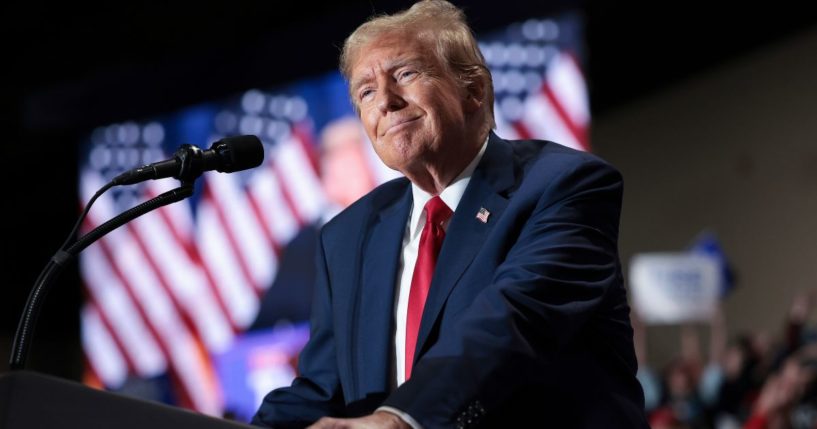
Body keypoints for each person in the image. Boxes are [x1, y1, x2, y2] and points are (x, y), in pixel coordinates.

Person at [252, 1, 647, 427]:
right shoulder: (347, 236)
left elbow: (512, 322)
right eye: (366, 91)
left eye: (405, 73)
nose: (385, 101)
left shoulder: (565, 184)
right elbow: (322, 387)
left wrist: (401, 417)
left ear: (473, 89)